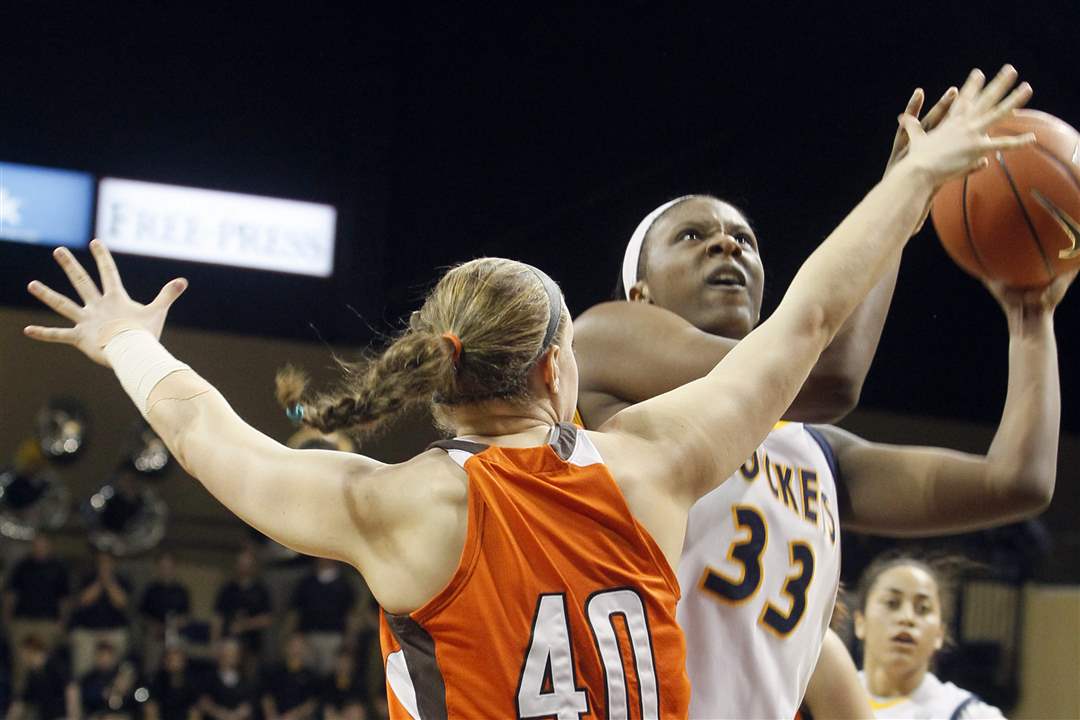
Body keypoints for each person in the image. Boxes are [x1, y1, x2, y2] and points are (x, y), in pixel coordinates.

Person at [22, 77, 1029, 716]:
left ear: (438, 372)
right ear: (561, 371)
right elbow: (809, 322)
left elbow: (205, 432)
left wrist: (126, 345)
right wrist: (914, 185)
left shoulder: (392, 508)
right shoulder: (658, 467)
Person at [573, 66, 1063, 719]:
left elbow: (1017, 482)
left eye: (745, 240)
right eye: (692, 236)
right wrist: (904, 196)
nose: (727, 242)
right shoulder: (604, 339)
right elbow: (831, 375)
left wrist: (1031, 319)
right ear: (642, 292)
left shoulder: (817, 450)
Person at [854, 553, 1005, 719]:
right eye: (892, 603)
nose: (907, 617)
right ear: (860, 622)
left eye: (923, 608)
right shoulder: (827, 695)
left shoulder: (966, 712)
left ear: (940, 634)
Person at [2, 534, 70, 696]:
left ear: (50, 546)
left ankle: (44, 702)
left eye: (43, 544)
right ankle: (20, 703)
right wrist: (8, 621)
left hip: (47, 622)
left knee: (44, 665)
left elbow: (64, 599)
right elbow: (11, 595)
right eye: (36, 544)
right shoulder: (22, 567)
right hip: (23, 622)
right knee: (21, 665)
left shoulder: (58, 567)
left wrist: (62, 622)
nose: (39, 547)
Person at [68, 551, 132, 680]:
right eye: (101, 563)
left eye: (107, 562)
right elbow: (84, 600)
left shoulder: (122, 580)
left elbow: (121, 602)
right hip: (88, 631)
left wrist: (108, 582)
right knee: (83, 671)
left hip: (113, 631)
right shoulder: (86, 579)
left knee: (117, 671)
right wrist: (99, 582)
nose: (104, 566)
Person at [287, 558, 357, 676]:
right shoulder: (306, 584)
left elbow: (351, 616)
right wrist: (293, 634)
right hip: (308, 637)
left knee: (332, 673)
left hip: (335, 639)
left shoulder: (345, 586)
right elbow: (295, 612)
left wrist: (349, 639)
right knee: (303, 671)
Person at [211, 548, 272, 674]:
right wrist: (215, 642)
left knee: (249, 677)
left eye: (247, 565)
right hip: (228, 645)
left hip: (252, 646)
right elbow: (217, 617)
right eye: (241, 564)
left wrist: (245, 625)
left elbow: (267, 619)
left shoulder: (261, 590)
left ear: (253, 566)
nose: (244, 568)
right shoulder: (228, 589)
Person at [138, 552, 192, 675]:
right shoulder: (151, 590)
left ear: (174, 568)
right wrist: (154, 626)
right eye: (163, 567)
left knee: (177, 664)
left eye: (169, 567)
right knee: (151, 667)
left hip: (176, 636)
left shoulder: (181, 590)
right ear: (158, 568)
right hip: (155, 636)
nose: (166, 570)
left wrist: (177, 623)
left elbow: (187, 616)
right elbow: (142, 615)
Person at [5, 634, 70, 720]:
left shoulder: (55, 665)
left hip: (62, 717)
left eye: (22, 653)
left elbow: (71, 689)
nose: (21, 657)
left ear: (30, 650)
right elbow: (20, 702)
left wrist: (73, 716)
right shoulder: (32, 675)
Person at [259, 634, 320, 720]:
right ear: (286, 648)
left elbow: (312, 703)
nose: (296, 650)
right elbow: (267, 696)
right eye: (293, 645)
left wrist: (294, 716)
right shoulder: (274, 671)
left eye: (300, 646)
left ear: (305, 650)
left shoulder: (311, 675)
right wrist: (271, 715)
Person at [198, 638, 257, 720]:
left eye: (235, 654)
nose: (233, 657)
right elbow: (204, 703)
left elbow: (248, 706)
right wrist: (223, 715)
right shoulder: (209, 678)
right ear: (221, 655)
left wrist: (234, 716)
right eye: (229, 654)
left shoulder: (245, 679)